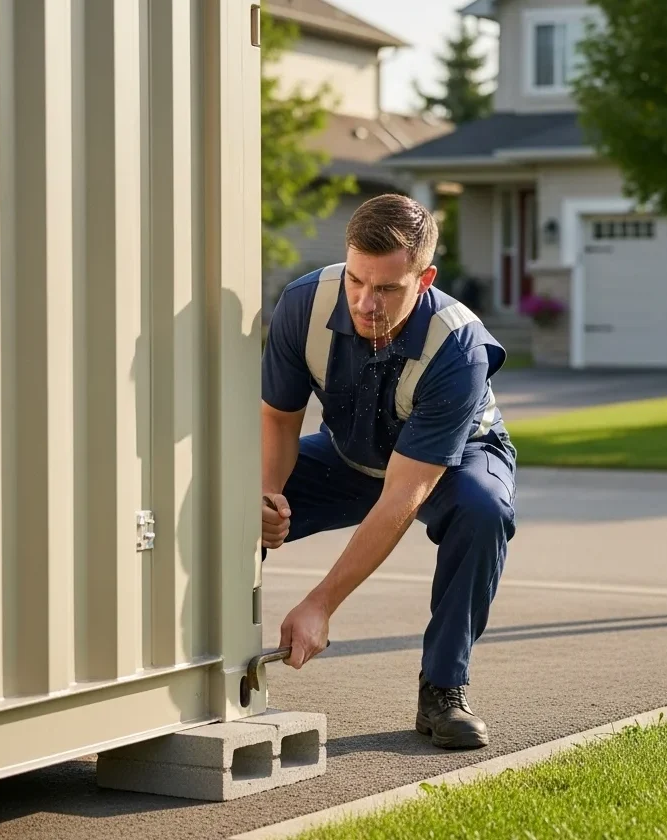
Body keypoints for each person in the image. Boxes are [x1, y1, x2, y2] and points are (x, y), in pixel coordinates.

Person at [260, 194, 517, 749]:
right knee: (233, 502)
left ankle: (442, 690)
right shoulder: (302, 305)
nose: (365, 301)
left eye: (386, 289)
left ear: (424, 280)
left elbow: (405, 492)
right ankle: (215, 670)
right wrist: (267, 496)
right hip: (350, 455)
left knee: (484, 510)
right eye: (357, 280)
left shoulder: (459, 346)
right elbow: (280, 420)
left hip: (453, 463)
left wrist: (320, 604)